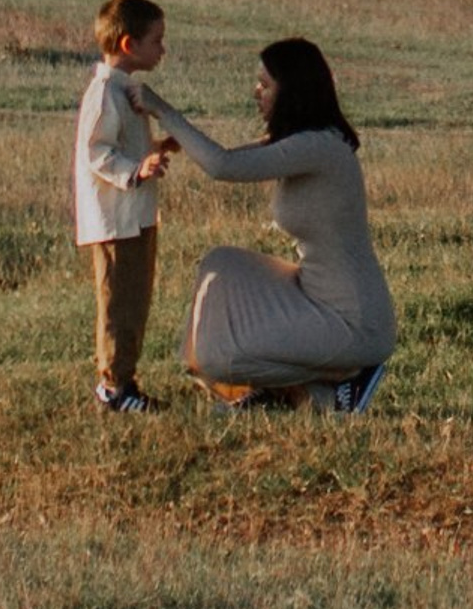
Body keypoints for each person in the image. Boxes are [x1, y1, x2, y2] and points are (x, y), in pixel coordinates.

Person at [136, 37, 397, 416]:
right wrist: (174, 143)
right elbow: (226, 156)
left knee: (217, 358)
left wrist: (160, 108)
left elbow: (224, 167)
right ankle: (295, 391)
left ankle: (345, 382)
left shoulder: (320, 147)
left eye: (265, 85)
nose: (256, 93)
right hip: (313, 294)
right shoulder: (301, 142)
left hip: (354, 321)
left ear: (291, 91)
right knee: (221, 264)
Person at [73, 0, 175, 414]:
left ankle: (126, 380)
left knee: (136, 299)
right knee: (118, 302)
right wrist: (136, 170)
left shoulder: (127, 91)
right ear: (129, 44)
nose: (162, 49)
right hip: (115, 221)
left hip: (136, 217)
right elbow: (96, 152)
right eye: (156, 41)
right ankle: (113, 388)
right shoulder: (103, 93)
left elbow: (127, 144)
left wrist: (154, 149)